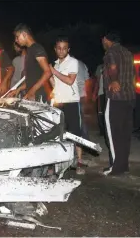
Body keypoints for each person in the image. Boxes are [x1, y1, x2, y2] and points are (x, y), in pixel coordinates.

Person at [49, 36, 85, 175]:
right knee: (57, 134)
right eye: (59, 48)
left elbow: (70, 81)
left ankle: (80, 163)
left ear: (68, 49)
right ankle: (57, 163)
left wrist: (54, 72)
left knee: (76, 133)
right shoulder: (56, 64)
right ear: (55, 49)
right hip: (58, 102)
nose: (61, 50)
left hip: (71, 102)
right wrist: (50, 76)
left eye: (64, 48)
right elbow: (55, 83)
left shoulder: (73, 62)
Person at [101, 31, 135, 176]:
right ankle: (123, 165)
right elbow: (133, 73)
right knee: (125, 134)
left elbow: (113, 66)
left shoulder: (111, 52)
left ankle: (116, 167)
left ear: (106, 39)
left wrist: (114, 80)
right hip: (129, 97)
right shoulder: (128, 53)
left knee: (113, 133)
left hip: (116, 97)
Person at [8, 24, 52, 103]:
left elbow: (48, 72)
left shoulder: (37, 48)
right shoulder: (30, 51)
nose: (16, 40)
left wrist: (32, 91)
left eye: (17, 37)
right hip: (33, 96)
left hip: (40, 96)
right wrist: (18, 89)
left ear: (24, 34)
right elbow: (32, 78)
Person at [77, 60, 90, 140]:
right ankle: (85, 140)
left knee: (74, 119)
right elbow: (87, 80)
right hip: (82, 94)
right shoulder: (83, 64)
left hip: (73, 96)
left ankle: (77, 142)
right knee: (83, 118)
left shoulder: (68, 63)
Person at [92, 64, 106, 136]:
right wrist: (94, 93)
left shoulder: (117, 64)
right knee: (100, 113)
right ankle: (102, 131)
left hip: (111, 95)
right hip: (101, 93)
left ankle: (109, 131)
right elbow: (97, 81)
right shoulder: (100, 67)